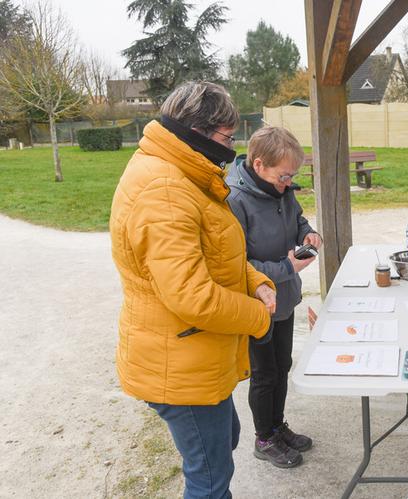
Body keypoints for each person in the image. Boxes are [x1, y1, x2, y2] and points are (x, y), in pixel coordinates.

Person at [110, 81, 276, 498]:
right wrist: (258, 317)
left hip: (192, 357)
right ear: (197, 132)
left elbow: (214, 255)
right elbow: (192, 296)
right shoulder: (165, 190)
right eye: (226, 136)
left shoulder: (184, 172)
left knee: (223, 443)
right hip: (178, 363)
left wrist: (255, 282)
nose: (231, 145)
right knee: (210, 477)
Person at [226, 126, 322, 468]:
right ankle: (264, 438)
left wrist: (308, 234)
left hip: (284, 300)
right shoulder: (235, 200)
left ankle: (277, 425)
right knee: (265, 373)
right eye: (284, 175)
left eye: (292, 176)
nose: (288, 182)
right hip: (258, 305)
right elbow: (236, 266)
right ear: (259, 164)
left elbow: (298, 219)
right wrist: (286, 267)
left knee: (283, 365)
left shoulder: (281, 190)